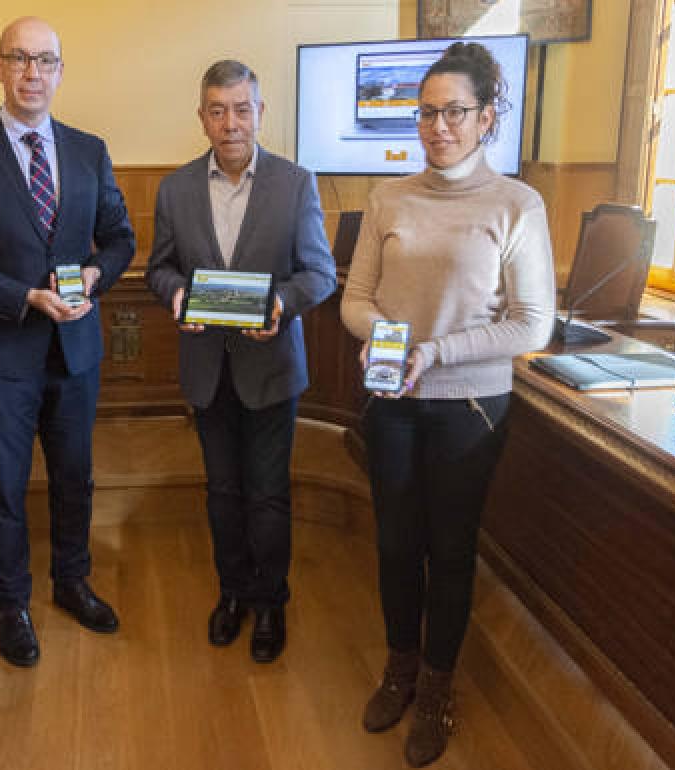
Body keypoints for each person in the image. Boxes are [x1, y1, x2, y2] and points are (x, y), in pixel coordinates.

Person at [340, 42, 554, 767]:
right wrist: (388, 342)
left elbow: (533, 323)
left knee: (450, 551)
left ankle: (436, 689)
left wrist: (438, 352)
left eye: (454, 112)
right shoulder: (388, 198)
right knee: (397, 545)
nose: (437, 126)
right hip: (392, 398)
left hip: (471, 406)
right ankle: (400, 670)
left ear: (487, 117)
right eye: (426, 112)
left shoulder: (518, 204)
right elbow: (356, 301)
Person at [0, 17, 135, 668]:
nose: (32, 72)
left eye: (45, 60)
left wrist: (98, 276)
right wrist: (24, 297)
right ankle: (12, 604)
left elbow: (120, 237)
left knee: (76, 478)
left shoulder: (88, 149)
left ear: (60, 71)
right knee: (5, 487)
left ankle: (71, 580)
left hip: (75, 352)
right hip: (0, 353)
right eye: (19, 59)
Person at [146, 60, 336, 664]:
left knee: (268, 494)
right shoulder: (175, 188)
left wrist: (280, 301)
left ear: (260, 112)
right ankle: (232, 592)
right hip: (207, 368)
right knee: (223, 492)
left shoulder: (296, 182)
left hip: (271, 366)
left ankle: (270, 600)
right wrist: (176, 295)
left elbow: (321, 274)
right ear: (202, 117)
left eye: (242, 108)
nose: (231, 122)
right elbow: (160, 268)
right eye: (218, 110)